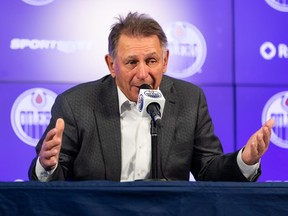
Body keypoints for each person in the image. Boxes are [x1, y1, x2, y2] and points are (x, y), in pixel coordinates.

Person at [28, 12, 274, 182]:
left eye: (152, 61)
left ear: (165, 61)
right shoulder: (75, 104)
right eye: (132, 62)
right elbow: (51, 186)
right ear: (112, 64)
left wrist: (245, 160)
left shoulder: (190, 100)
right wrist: (48, 166)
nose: (143, 73)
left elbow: (208, 170)